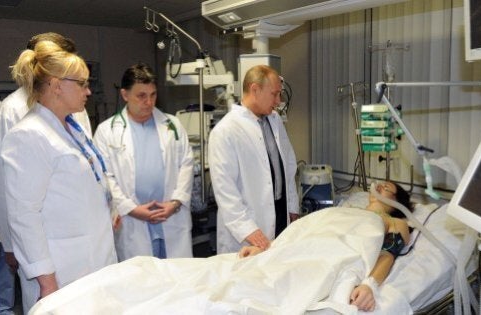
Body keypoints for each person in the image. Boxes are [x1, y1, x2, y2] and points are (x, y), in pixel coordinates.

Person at [0, 40, 117, 314]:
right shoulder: (28, 135)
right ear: (56, 86)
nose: (89, 91)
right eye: (82, 83)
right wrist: (46, 281)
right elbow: (23, 215)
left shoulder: (72, 128)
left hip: (94, 259)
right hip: (63, 271)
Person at [239, 181, 414, 312]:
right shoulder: (343, 209)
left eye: (386, 188)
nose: (379, 187)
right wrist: (268, 249)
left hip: (335, 255)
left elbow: (388, 253)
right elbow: (302, 230)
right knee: (253, 276)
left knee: (282, 282)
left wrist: (370, 285)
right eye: (379, 184)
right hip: (305, 247)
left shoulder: (395, 221)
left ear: (397, 202)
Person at [93, 63, 194, 261]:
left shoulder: (172, 125)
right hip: (134, 221)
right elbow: (106, 177)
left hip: (170, 217)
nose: (149, 102)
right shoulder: (107, 132)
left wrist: (176, 201)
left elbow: (186, 164)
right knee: (142, 285)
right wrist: (131, 209)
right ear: (124, 95)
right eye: (141, 96)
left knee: (178, 282)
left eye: (153, 95)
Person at [208, 65, 299, 254]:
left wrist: (292, 206)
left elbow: (288, 166)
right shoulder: (226, 131)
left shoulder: (274, 121)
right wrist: (250, 230)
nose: (278, 101)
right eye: (274, 94)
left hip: (280, 216)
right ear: (255, 89)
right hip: (246, 230)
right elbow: (226, 191)